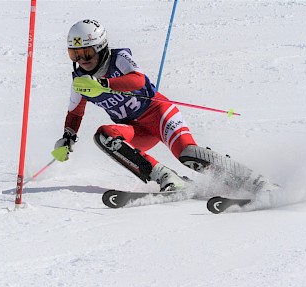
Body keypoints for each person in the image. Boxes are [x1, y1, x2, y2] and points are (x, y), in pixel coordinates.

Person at [54, 19, 277, 194]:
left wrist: (104, 84)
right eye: (75, 54)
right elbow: (75, 111)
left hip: (159, 115)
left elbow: (138, 80)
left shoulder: (119, 58)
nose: (83, 60)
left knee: (188, 154)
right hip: (137, 130)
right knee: (104, 136)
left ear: (101, 48)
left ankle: (252, 180)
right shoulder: (80, 81)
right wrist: (68, 136)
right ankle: (166, 178)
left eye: (87, 53)